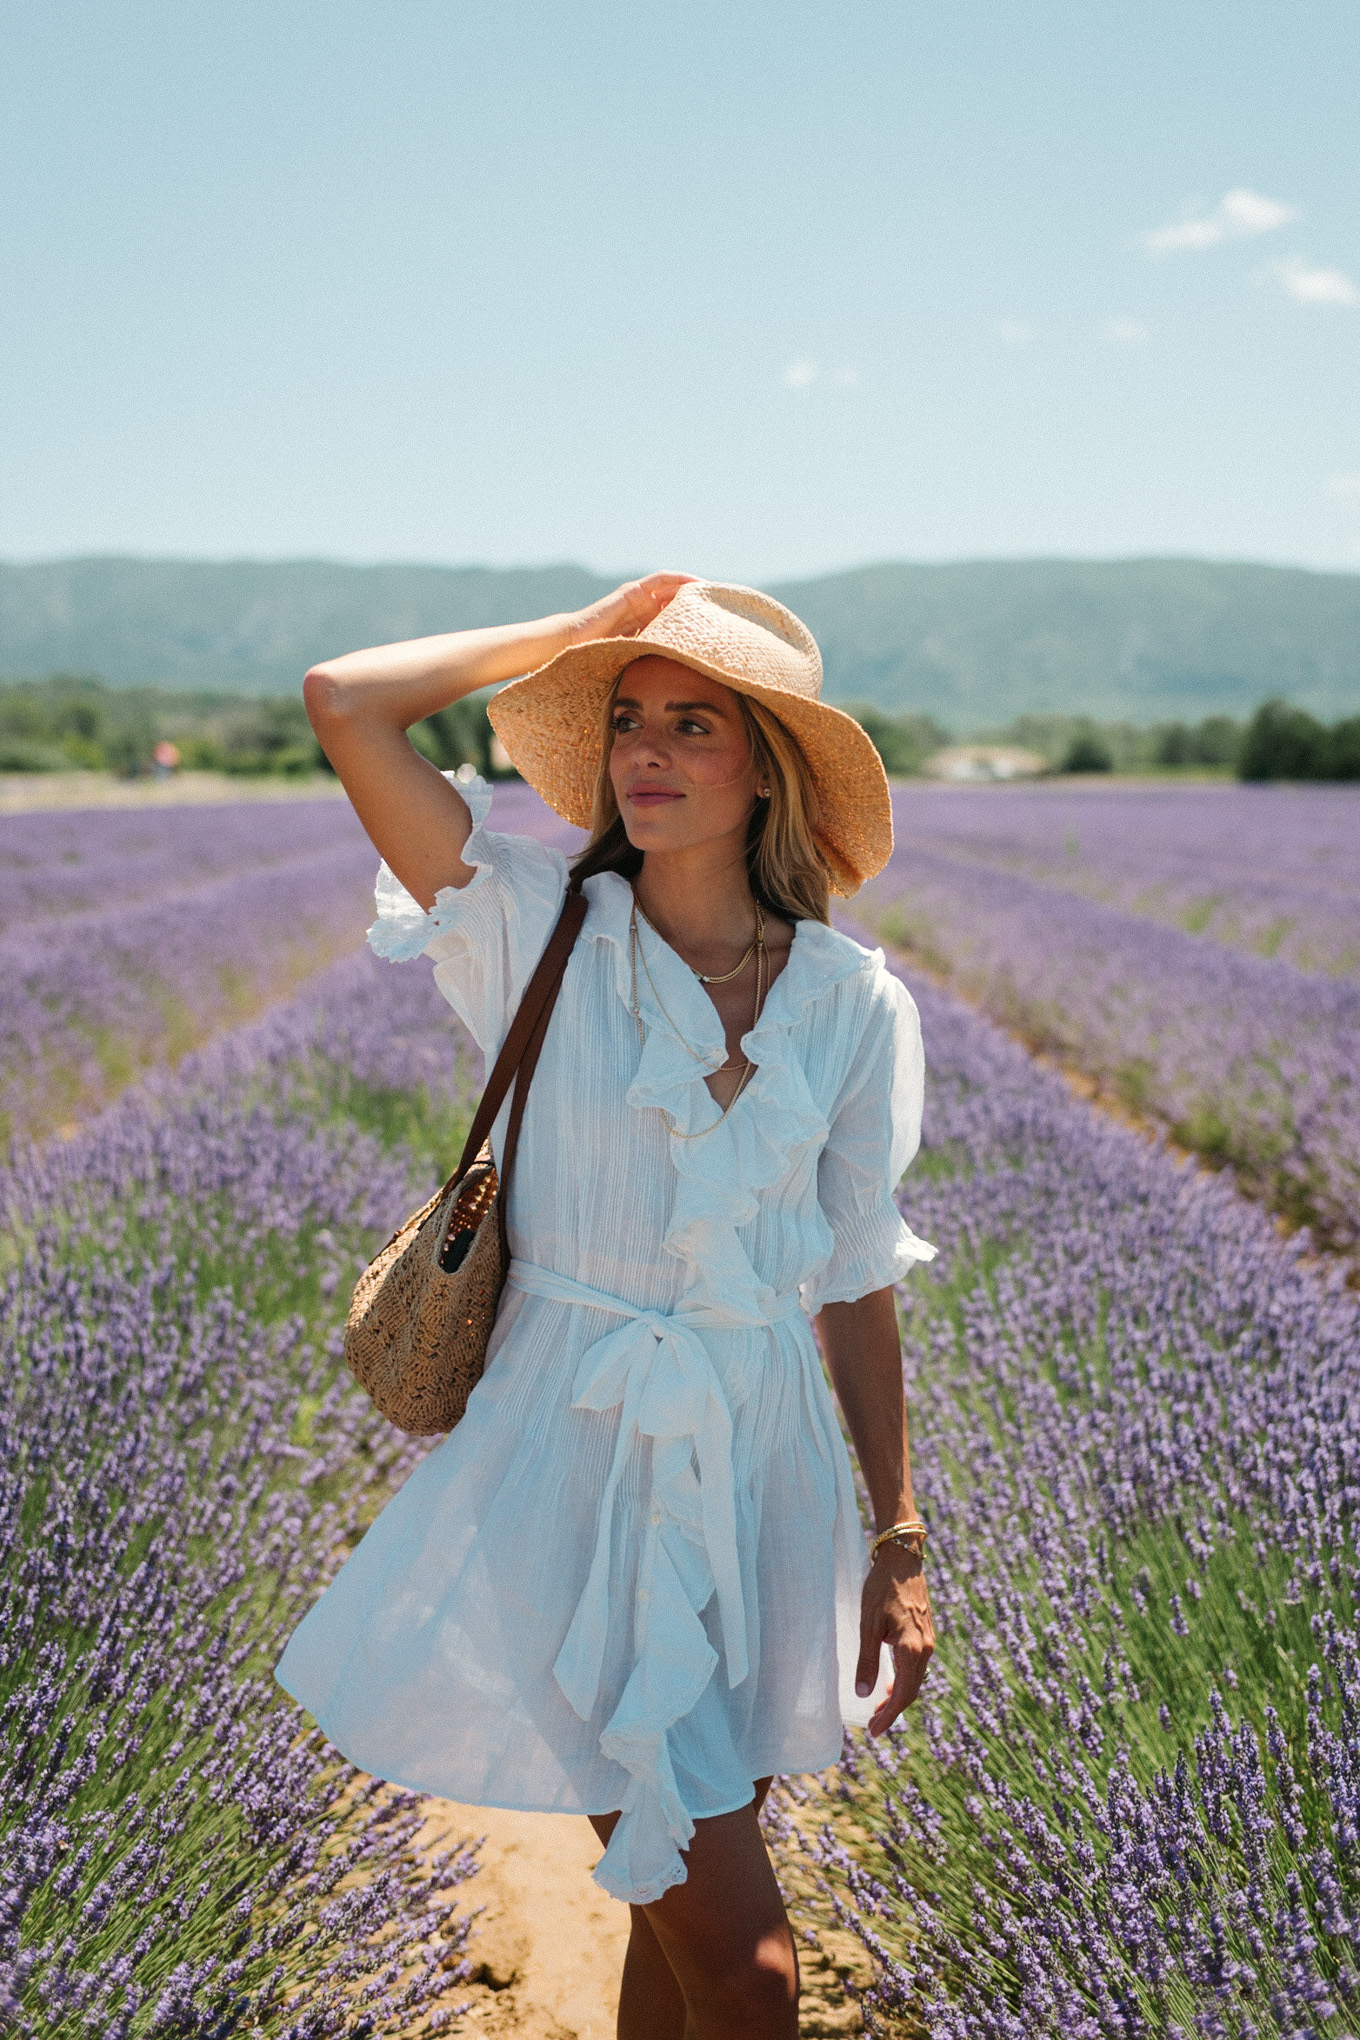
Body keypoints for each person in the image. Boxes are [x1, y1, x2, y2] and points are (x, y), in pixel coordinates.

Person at [278, 575, 936, 2039]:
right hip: (570, 1457)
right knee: (754, 1970)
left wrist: (895, 1529)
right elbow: (345, 699)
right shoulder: (532, 927)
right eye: (624, 720)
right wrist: (588, 625)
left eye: (689, 723)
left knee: (680, 1935)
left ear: (767, 760)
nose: (642, 751)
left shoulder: (852, 1003)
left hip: (761, 1472)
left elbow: (857, 1281)